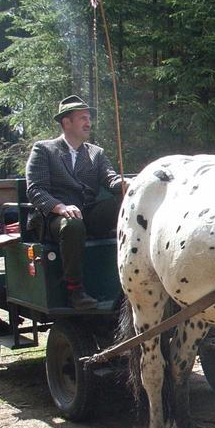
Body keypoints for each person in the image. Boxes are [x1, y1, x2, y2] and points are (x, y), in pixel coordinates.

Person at [26, 95, 125, 309]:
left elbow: (111, 180)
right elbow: (35, 190)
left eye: (89, 118)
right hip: (54, 218)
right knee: (71, 223)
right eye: (82, 118)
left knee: (126, 203)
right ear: (66, 122)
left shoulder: (95, 153)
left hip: (88, 213)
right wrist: (60, 207)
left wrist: (132, 185)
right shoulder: (44, 150)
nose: (88, 122)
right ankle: (75, 290)